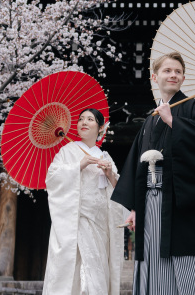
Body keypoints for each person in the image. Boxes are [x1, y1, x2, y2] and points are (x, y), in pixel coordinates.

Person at [111, 52, 195, 295]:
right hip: (150, 202)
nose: (173, 75)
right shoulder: (151, 118)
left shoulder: (192, 106)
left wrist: (174, 122)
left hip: (181, 202)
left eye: (178, 71)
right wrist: (135, 207)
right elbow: (136, 163)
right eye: (167, 70)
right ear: (154, 76)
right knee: (153, 259)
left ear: (183, 78)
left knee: (185, 262)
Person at [42, 108, 128, 295]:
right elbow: (52, 179)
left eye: (90, 119)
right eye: (81, 119)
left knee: (97, 268)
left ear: (100, 128)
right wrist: (79, 165)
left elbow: (119, 189)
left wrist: (110, 174)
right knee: (77, 272)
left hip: (100, 225)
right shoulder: (67, 151)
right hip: (76, 221)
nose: (84, 122)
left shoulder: (105, 157)